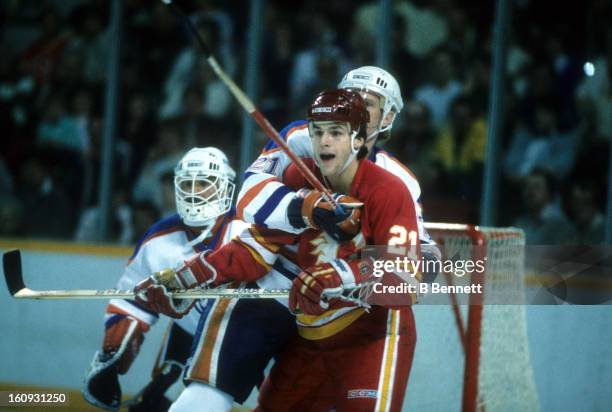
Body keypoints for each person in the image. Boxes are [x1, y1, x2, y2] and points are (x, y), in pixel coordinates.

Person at [135, 89, 422, 411]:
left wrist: (340, 276)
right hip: (310, 342)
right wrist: (183, 278)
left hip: (370, 337)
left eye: (336, 132)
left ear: (358, 139)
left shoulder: (389, 190)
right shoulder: (297, 180)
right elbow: (252, 252)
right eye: (318, 132)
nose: (324, 141)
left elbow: (405, 281)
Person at [82, 147, 258, 411]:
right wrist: (114, 350)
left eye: (205, 183)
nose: (195, 191)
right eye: (188, 183)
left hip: (254, 336)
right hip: (190, 335)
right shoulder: (158, 239)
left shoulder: (250, 229)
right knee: (155, 404)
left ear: (225, 187)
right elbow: (131, 301)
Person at [237, 65, 435, 252]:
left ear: (388, 117)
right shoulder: (297, 136)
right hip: (280, 263)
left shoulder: (399, 178)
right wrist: (305, 209)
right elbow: (248, 195)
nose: (355, 108)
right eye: (349, 100)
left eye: (366, 104)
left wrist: (350, 272)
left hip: (345, 280)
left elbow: (420, 259)